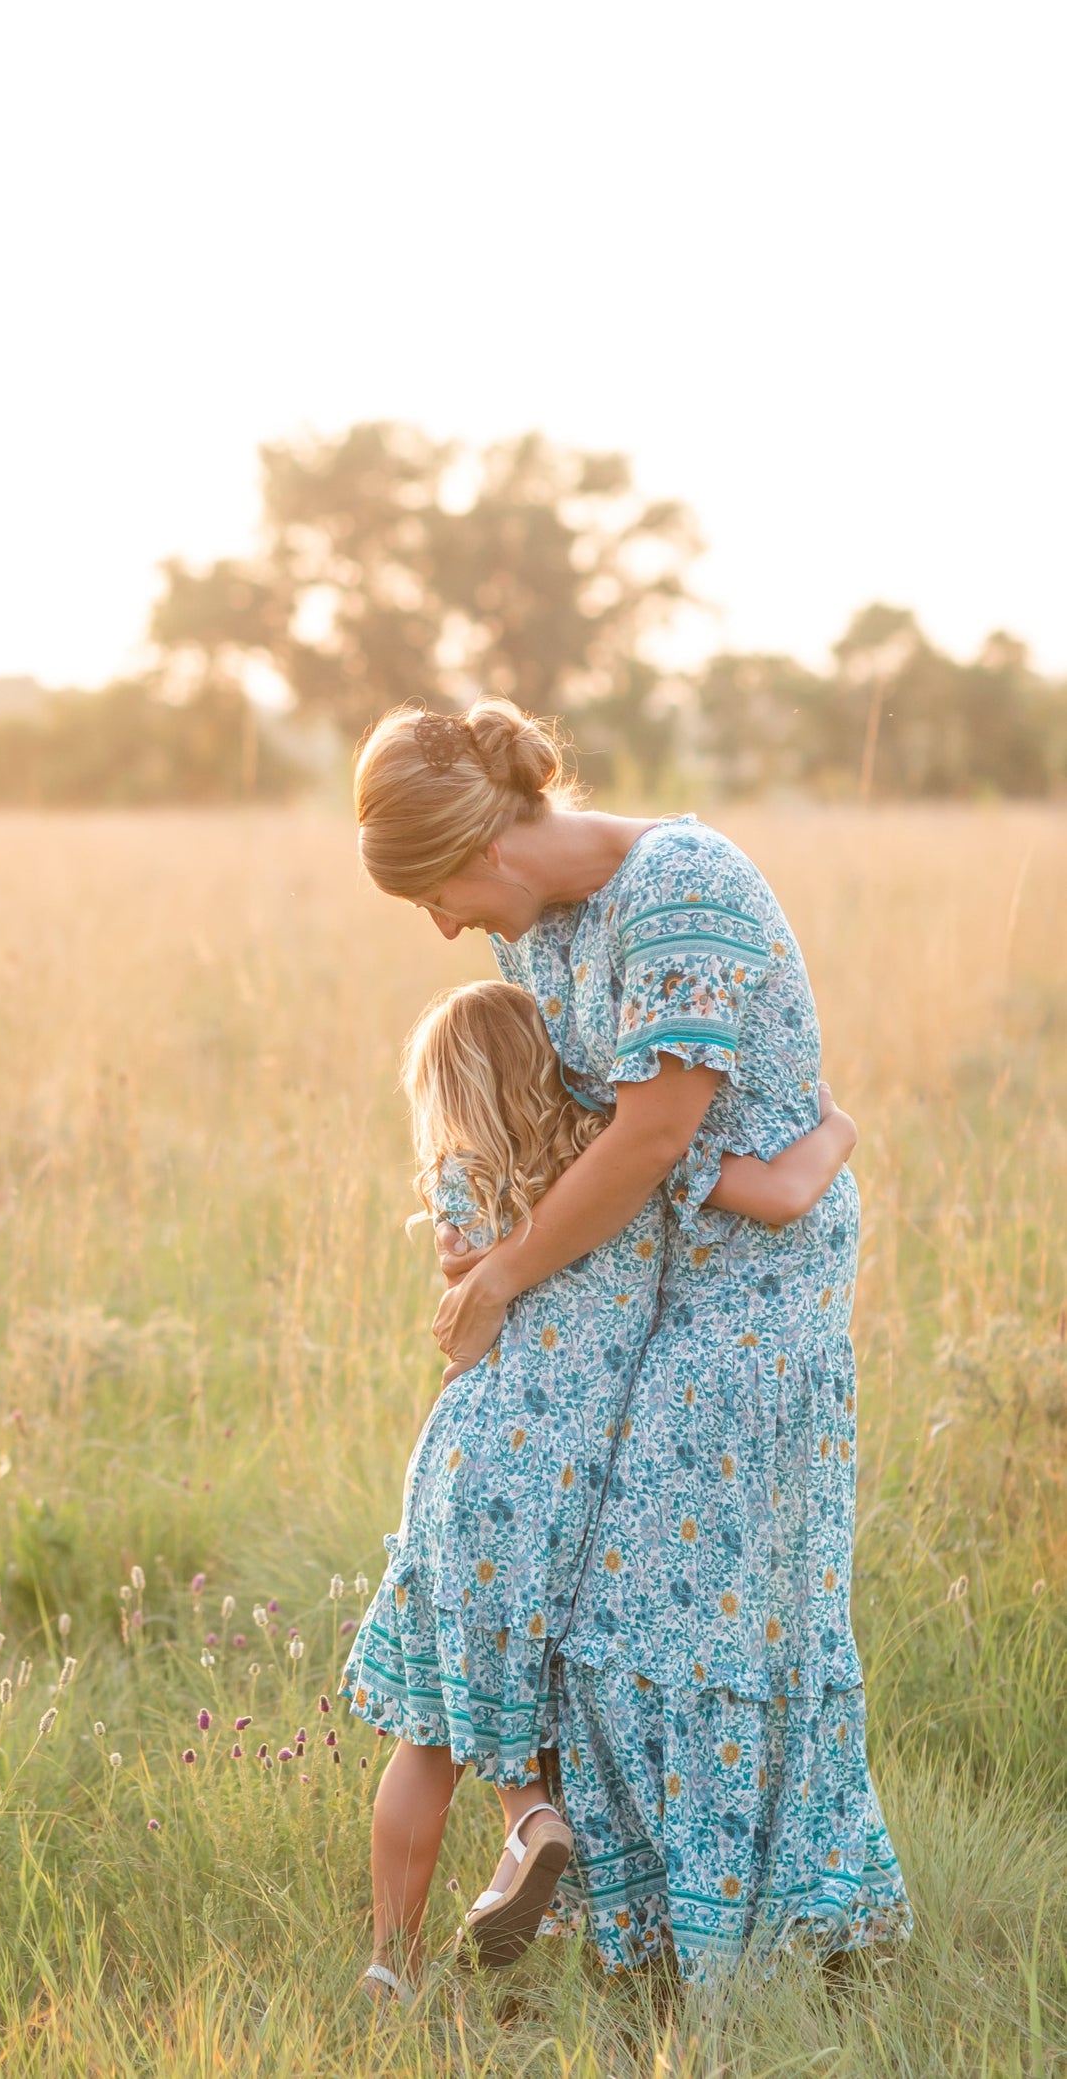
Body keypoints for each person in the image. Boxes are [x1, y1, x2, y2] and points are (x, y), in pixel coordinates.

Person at [353, 699, 912, 1982]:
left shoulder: (683, 884)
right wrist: (491, 1241)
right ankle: (636, 1933)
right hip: (621, 1286)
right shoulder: (536, 942)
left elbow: (653, 1137)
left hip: (745, 1295)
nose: (441, 928)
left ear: (480, 845)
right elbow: (568, 1134)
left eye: (432, 894)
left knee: (681, 1616)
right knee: (604, 1611)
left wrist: (500, 1272)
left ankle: (753, 1941)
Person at [351, 977, 856, 2004]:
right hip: (585, 1485)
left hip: (470, 1466)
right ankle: (545, 1830)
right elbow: (784, 1191)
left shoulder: (464, 1183)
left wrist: (477, 1274)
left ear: (443, 1095)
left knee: (428, 1726)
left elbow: (469, 1333)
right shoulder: (624, 1160)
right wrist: (836, 1120)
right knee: (536, 1687)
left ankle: (392, 1962)